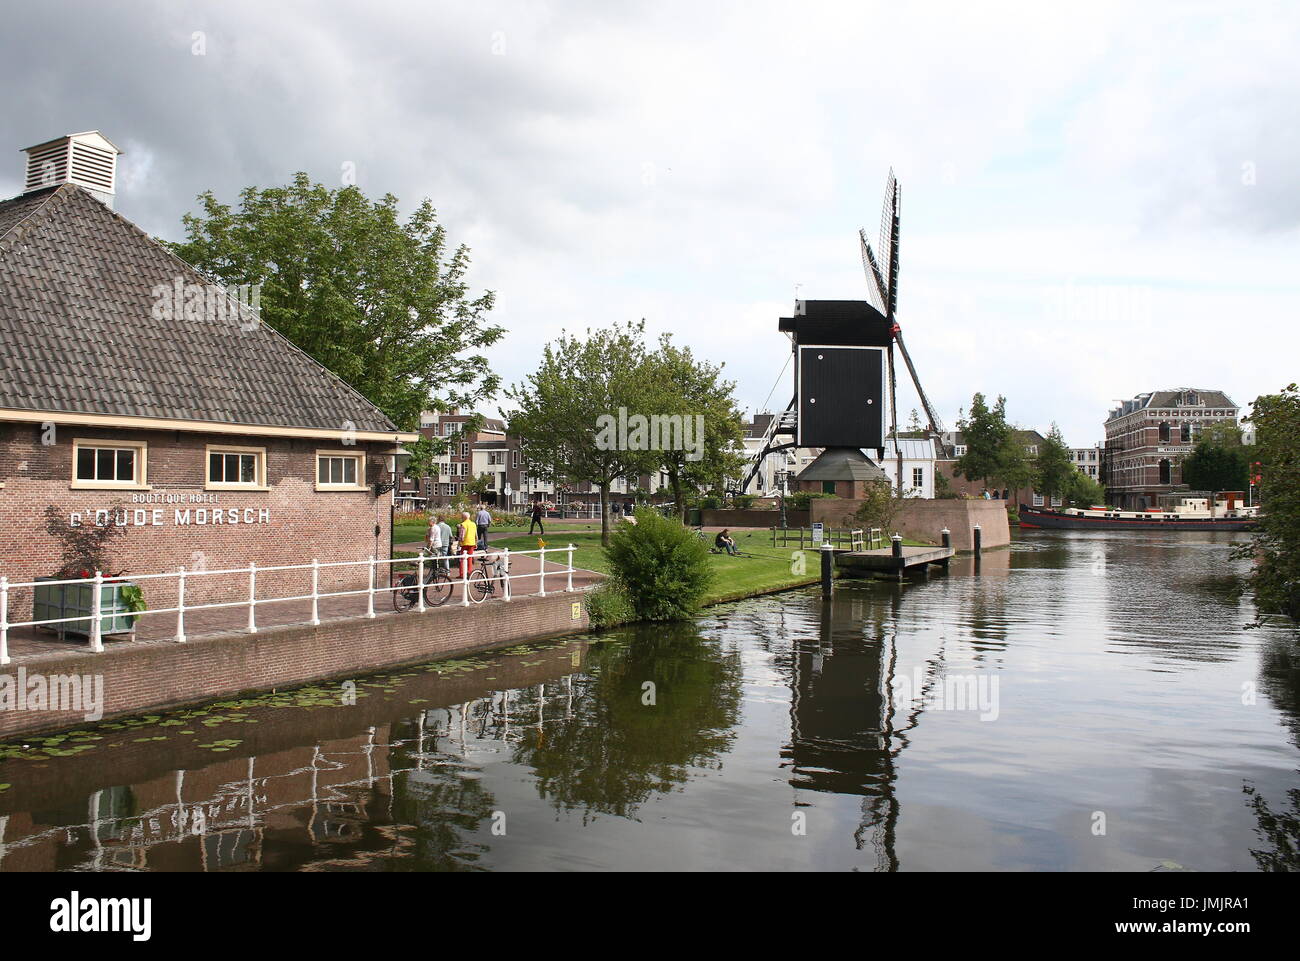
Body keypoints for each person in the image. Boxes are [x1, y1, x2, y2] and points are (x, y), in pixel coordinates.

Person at [457, 510, 478, 579]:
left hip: (465, 543)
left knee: (462, 559)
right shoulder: (473, 524)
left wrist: (459, 543)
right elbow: (476, 535)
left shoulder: (463, 524)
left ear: (463, 517)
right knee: (470, 559)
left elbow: (461, 535)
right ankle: (469, 572)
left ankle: (462, 574)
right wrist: (476, 542)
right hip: (472, 543)